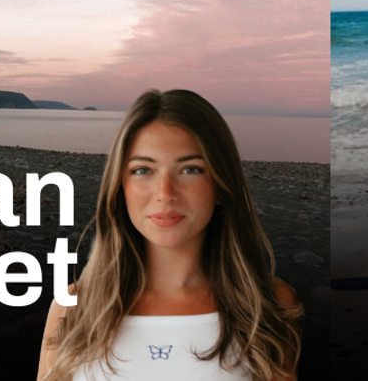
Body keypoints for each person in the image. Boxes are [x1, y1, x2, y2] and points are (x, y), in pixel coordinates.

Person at [37, 89, 302, 380]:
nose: (165, 193)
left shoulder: (268, 304)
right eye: (142, 170)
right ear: (119, 186)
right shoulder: (73, 306)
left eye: (190, 169)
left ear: (221, 186)